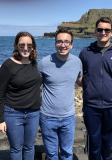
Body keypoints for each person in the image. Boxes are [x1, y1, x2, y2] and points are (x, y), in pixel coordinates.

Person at [79, 17, 112, 160]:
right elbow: (79, 76)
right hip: (91, 106)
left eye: (106, 30)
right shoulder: (85, 52)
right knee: (93, 145)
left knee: (107, 144)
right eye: (100, 29)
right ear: (95, 31)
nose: (103, 32)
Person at [0, 32, 41, 160]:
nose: (25, 48)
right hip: (13, 113)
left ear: (33, 46)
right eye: (22, 44)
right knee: (16, 148)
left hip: (33, 113)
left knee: (29, 147)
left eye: (29, 45)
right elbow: (0, 93)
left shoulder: (34, 64)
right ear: (16, 46)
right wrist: (0, 120)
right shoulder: (8, 65)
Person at [38, 29, 82, 160]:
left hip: (68, 117)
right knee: (51, 154)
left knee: (67, 153)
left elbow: (80, 81)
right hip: (47, 117)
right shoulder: (44, 63)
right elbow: (35, 86)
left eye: (67, 42)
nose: (63, 45)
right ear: (55, 43)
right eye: (60, 42)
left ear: (72, 44)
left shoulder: (77, 62)